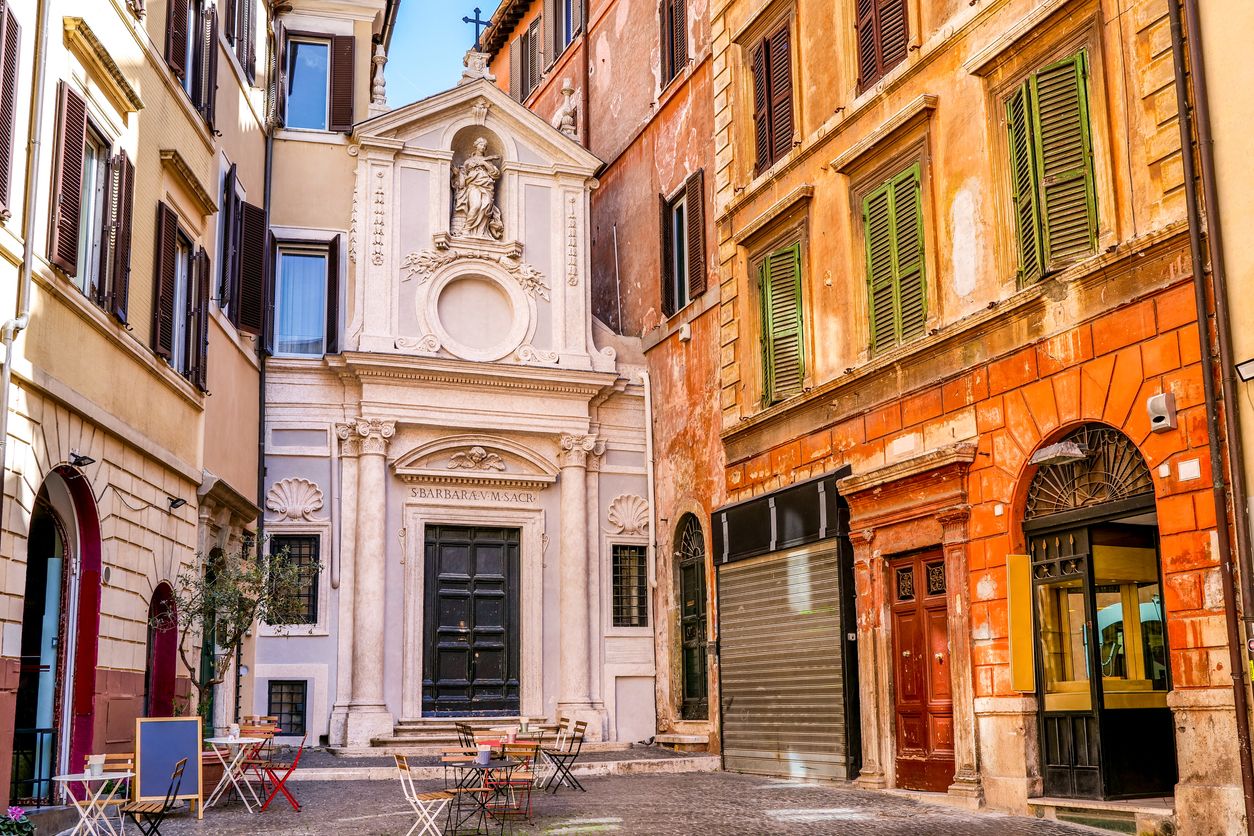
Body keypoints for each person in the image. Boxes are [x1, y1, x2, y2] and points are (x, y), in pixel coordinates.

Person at [454, 137, 504, 239]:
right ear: (476, 146)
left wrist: (484, 163)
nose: (483, 147)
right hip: (473, 185)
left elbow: (495, 174)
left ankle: (481, 232)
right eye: (481, 145)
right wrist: (457, 174)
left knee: (485, 207)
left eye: (485, 146)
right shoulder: (469, 161)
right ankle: (467, 229)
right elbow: (463, 178)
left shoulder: (488, 161)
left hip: (487, 187)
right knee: (476, 205)